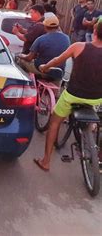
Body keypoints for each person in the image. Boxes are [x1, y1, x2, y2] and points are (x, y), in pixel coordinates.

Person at [34, 19, 102, 172]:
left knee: (54, 122)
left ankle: (45, 161)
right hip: (97, 97)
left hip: (73, 95)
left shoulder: (78, 46)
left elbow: (57, 60)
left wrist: (45, 67)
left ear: (95, 32)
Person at [17, 16, 70, 81]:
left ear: (45, 27)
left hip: (42, 69)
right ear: (58, 26)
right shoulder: (66, 38)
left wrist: (20, 55)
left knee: (21, 61)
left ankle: (25, 84)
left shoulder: (41, 39)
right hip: (59, 71)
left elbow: (29, 58)